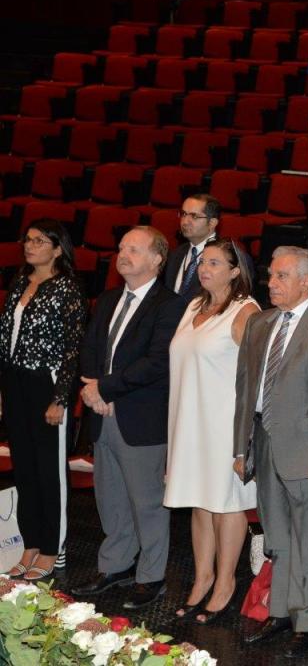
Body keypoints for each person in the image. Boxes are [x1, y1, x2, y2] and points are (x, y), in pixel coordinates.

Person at [233, 247, 308, 657]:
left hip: (307, 448)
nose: (271, 283)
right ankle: (279, 610)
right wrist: (240, 446)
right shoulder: (260, 323)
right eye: (271, 275)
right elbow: (245, 389)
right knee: (277, 535)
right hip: (263, 441)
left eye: (281, 276)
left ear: (307, 281)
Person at [73, 227, 186, 610]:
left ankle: (151, 576)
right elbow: (89, 349)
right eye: (121, 247)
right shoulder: (107, 299)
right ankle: (115, 565)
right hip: (103, 413)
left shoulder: (170, 305)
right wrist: (94, 390)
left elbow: (157, 361)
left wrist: (106, 389)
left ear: (157, 259)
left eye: (134, 249)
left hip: (140, 418)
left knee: (146, 502)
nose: (123, 254)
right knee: (110, 497)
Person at [164, 238, 260, 624]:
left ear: (235, 271)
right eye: (203, 261)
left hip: (224, 426)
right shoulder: (193, 306)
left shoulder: (245, 310)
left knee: (226, 504)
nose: (204, 268)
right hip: (189, 421)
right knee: (199, 502)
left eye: (215, 263)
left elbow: (256, 376)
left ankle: (225, 582)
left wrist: (246, 438)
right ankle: (202, 578)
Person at [0, 219, 86, 581]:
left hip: (46, 384)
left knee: (50, 471)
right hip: (15, 381)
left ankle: (53, 548)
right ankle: (31, 544)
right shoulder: (20, 281)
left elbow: (72, 348)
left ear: (57, 248)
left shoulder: (68, 288)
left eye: (39, 241)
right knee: (25, 468)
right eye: (28, 239)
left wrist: (60, 398)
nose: (29, 245)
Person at [164, 193, 220, 301]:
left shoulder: (228, 257)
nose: (185, 222)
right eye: (184, 214)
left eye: (194, 216)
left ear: (212, 223)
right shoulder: (175, 254)